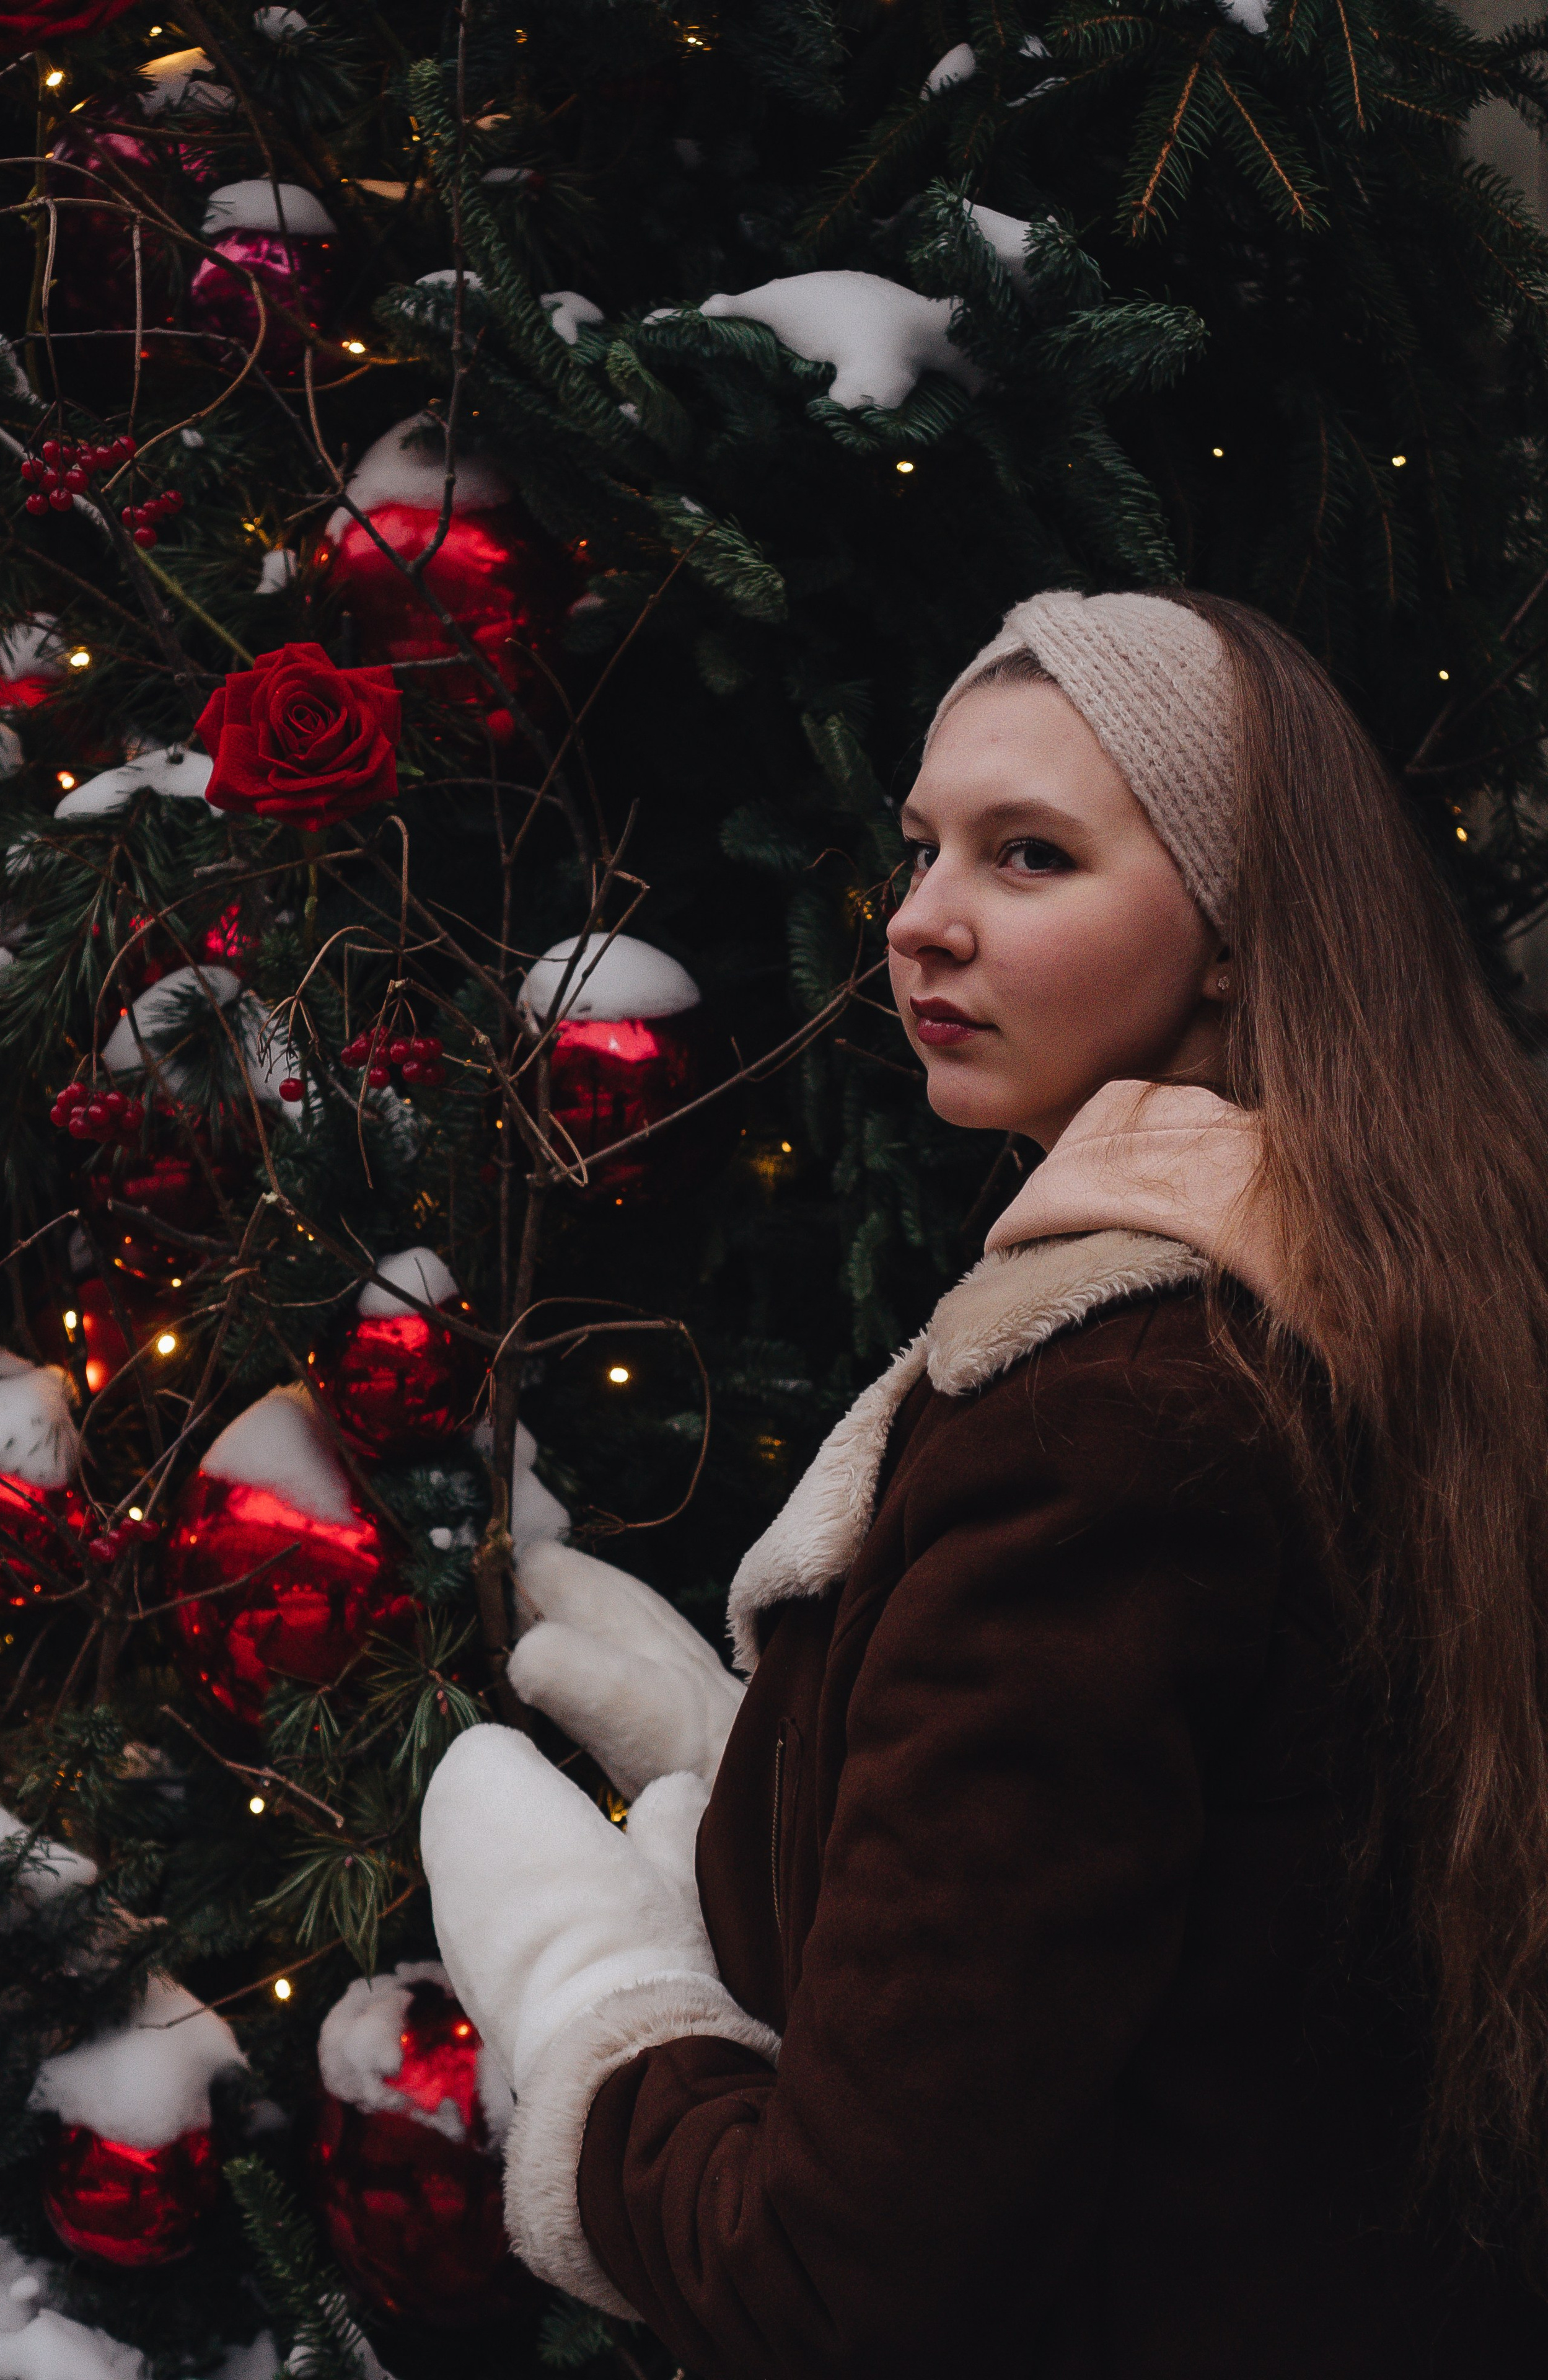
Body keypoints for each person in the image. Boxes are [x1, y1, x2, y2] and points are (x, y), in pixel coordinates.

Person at [420, 589, 1548, 2377]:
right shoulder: (1387, 1301)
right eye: (923, 845)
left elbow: (843, 2287)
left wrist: (589, 1995)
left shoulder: (1118, 1424)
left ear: (1242, 938)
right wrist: (761, 1762)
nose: (923, 922)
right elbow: (1207, 1951)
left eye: (1030, 857)